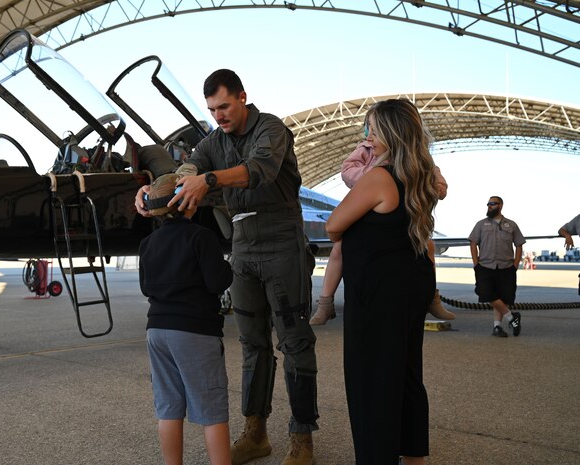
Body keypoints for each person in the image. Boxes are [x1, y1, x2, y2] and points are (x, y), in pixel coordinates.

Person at [135, 69, 319, 465]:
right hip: (242, 247)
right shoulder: (211, 142)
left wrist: (210, 179)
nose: (218, 115)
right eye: (212, 110)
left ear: (242, 97)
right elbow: (184, 174)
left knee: (295, 343)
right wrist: (151, 190)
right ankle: (256, 433)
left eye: (224, 106)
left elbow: (260, 170)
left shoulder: (270, 129)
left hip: (282, 242)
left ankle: (302, 438)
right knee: (252, 345)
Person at [325, 98, 438, 465]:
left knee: (371, 379)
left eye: (371, 129)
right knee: (405, 373)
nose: (367, 137)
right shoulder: (420, 178)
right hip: (411, 284)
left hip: (378, 290)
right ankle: (414, 456)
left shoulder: (378, 177)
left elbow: (333, 224)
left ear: (389, 133)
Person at [310, 131, 454, 325]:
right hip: (367, 207)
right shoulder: (366, 150)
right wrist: (378, 174)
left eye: (376, 130)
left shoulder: (418, 157)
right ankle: (325, 302)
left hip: (403, 215)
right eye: (370, 129)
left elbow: (434, 175)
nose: (370, 137)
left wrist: (438, 185)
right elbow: (348, 171)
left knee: (427, 246)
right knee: (338, 250)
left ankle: (432, 297)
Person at [139, 173, 234, 465]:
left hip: (157, 330)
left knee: (168, 407)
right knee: (211, 409)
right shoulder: (200, 237)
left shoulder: (148, 243)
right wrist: (228, 267)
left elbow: (146, 287)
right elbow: (217, 281)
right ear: (187, 203)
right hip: (194, 331)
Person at [469, 196, 525, 337]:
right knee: (485, 293)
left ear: (500, 205)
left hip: (506, 267)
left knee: (502, 297)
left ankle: (497, 327)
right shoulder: (481, 224)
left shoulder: (511, 225)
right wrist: (476, 263)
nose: (489, 206)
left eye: (492, 204)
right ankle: (512, 318)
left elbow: (519, 244)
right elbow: (473, 243)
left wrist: (515, 265)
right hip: (485, 266)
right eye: (488, 204)